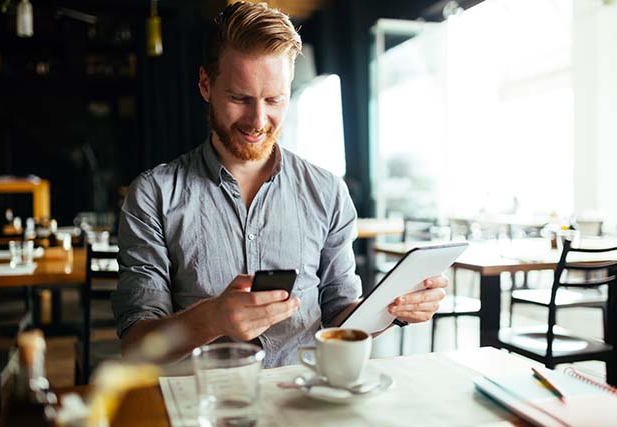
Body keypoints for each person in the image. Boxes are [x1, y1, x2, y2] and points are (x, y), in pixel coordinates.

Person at [112, 1, 447, 368]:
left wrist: (391, 308)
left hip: (304, 399)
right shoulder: (154, 195)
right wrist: (212, 319)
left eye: (274, 100)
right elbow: (136, 347)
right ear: (206, 85)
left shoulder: (328, 192)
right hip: (203, 405)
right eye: (240, 98)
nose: (258, 120)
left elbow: (339, 317)